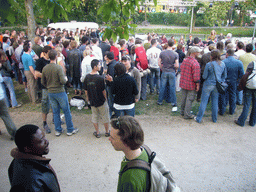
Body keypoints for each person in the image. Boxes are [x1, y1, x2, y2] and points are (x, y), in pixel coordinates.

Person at [8, 124, 60, 191]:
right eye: (41, 140)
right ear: (27, 148)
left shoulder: (16, 161)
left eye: (44, 137)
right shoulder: (33, 181)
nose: (46, 141)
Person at [41, 49, 78, 136]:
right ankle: (70, 129)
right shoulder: (58, 68)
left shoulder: (45, 68)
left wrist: (49, 86)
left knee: (55, 111)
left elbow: (43, 82)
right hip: (60, 91)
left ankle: (58, 130)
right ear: (56, 57)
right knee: (66, 111)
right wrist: (66, 79)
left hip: (51, 92)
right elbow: (63, 80)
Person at [109, 116, 149, 192]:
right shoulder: (144, 151)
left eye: (112, 138)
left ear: (126, 142)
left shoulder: (131, 179)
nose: (109, 139)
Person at [195, 49, 226, 123]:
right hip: (217, 85)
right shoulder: (223, 64)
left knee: (204, 101)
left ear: (212, 56)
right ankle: (214, 119)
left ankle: (199, 118)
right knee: (215, 102)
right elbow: (224, 76)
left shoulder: (209, 64)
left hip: (208, 84)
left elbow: (204, 76)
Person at [83, 59, 110, 138]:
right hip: (101, 100)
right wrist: (106, 98)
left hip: (92, 100)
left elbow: (86, 90)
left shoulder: (87, 77)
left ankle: (97, 132)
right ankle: (107, 132)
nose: (100, 66)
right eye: (99, 65)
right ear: (95, 67)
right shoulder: (100, 78)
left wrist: (87, 98)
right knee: (105, 116)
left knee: (94, 116)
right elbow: (103, 90)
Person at [218, 49, 244, 115]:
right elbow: (242, 74)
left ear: (227, 54)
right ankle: (232, 111)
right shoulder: (239, 62)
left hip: (225, 81)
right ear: (233, 54)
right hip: (234, 81)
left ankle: (222, 110)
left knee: (223, 96)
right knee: (233, 95)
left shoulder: (223, 62)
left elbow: (220, 73)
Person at [157, 39, 179, 112]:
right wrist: (175, 70)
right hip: (172, 71)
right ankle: (174, 102)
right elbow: (177, 65)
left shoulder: (162, 53)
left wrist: (162, 68)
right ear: (173, 45)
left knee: (162, 87)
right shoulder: (175, 54)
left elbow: (159, 63)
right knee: (172, 87)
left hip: (165, 71)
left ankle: (160, 101)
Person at [35, 46, 52, 133]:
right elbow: (36, 73)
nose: (50, 53)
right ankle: (45, 123)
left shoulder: (53, 60)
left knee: (54, 103)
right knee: (45, 103)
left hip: (53, 86)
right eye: (49, 52)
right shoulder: (40, 61)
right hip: (45, 86)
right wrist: (46, 75)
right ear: (44, 52)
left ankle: (55, 119)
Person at [180, 46, 201, 119]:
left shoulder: (185, 60)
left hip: (184, 82)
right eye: (198, 52)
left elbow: (181, 69)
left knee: (183, 98)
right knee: (189, 99)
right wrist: (198, 85)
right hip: (191, 84)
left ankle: (182, 111)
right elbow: (196, 77)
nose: (199, 53)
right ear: (195, 53)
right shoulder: (195, 63)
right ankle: (187, 114)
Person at [235, 61, 256, 127]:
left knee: (246, 105)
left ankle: (241, 121)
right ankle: (252, 122)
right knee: (255, 106)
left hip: (248, 88)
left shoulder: (251, 67)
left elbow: (245, 77)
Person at [0, 72, 16, 139]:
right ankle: (13, 132)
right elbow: (1, 80)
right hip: (1, 97)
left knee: (5, 115)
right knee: (5, 116)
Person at [105, 51, 118, 118]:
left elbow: (110, 76)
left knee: (110, 100)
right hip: (114, 85)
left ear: (107, 57)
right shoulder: (115, 63)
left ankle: (110, 114)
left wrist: (107, 81)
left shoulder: (111, 66)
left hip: (110, 86)